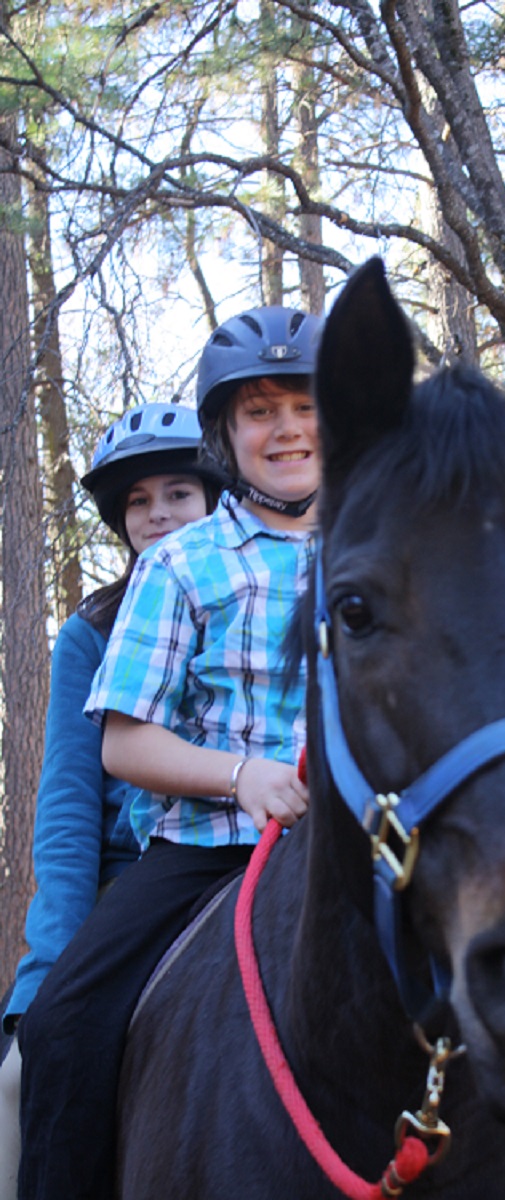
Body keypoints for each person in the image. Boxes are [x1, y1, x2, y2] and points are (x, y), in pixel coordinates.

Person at [16, 304, 322, 1200]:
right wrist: (245, 776)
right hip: (202, 848)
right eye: (259, 410)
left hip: (362, 842)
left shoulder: (387, 547)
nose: (288, 428)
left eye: (305, 405)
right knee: (63, 1028)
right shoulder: (183, 564)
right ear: (227, 436)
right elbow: (122, 741)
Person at [0, 403, 221, 1199]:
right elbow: (66, 807)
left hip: (254, 851)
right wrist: (48, 966)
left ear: (214, 498)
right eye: (138, 501)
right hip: (133, 882)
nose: (158, 514)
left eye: (178, 494)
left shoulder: (259, 598)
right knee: (22, 1079)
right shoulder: (91, 632)